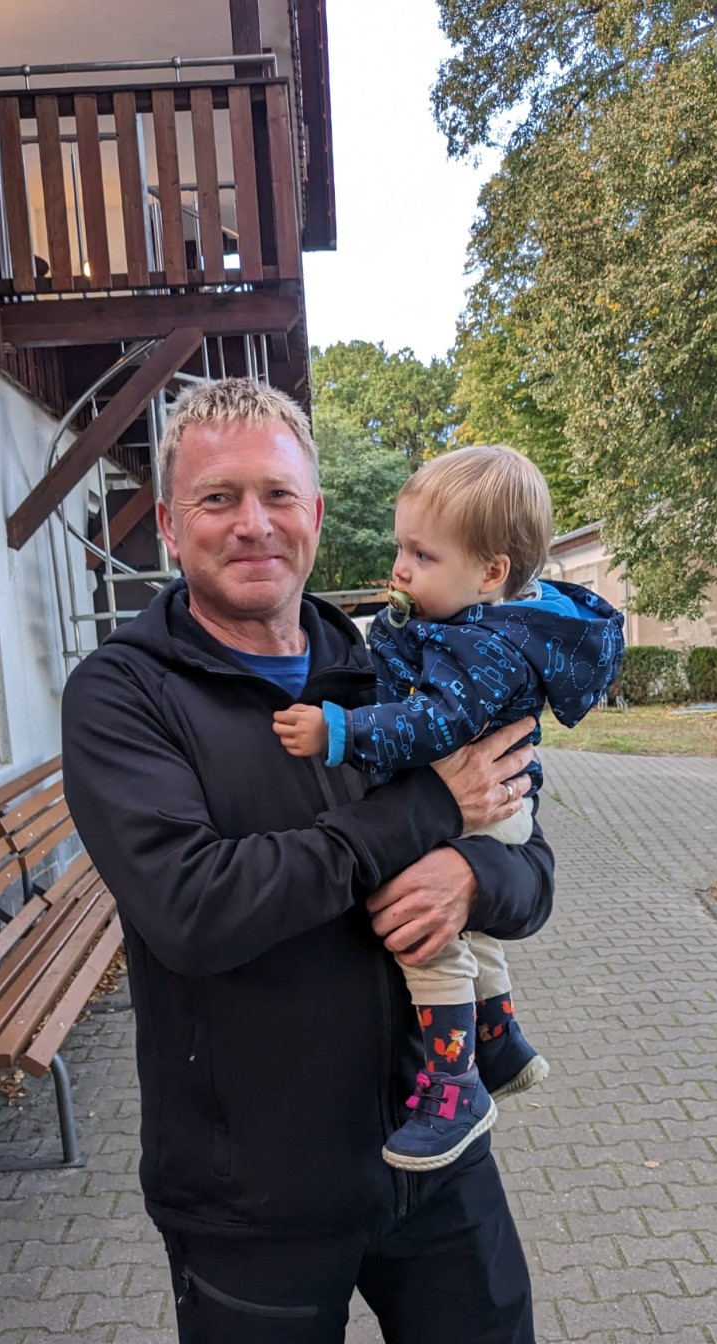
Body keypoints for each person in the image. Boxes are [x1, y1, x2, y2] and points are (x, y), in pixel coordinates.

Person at [62, 378, 580, 1344]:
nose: (252, 522)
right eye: (217, 498)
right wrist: (421, 812)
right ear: (169, 521)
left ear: (314, 509)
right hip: (249, 1194)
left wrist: (469, 871)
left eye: (276, 494)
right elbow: (195, 908)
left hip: (435, 1157)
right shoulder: (126, 695)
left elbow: (532, 871)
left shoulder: (395, 661)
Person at [275, 445, 625, 1172]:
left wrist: (340, 731)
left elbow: (434, 722)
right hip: (496, 806)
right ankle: (501, 1040)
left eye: (422, 556)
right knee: (471, 926)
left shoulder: (485, 647)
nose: (400, 569)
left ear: (490, 573)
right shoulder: (482, 626)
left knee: (422, 931)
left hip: (483, 807)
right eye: (402, 548)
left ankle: (454, 1083)